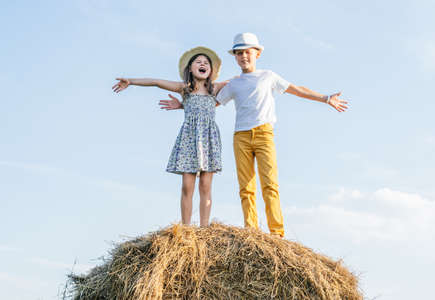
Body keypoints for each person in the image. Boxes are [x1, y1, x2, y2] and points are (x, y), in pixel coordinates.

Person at [160, 33, 348, 237]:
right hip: (240, 136)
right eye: (239, 53)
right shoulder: (234, 84)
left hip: (264, 133)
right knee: (246, 188)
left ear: (257, 53)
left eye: (247, 52)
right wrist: (182, 106)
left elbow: (296, 90)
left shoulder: (268, 76)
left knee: (269, 184)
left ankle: (276, 233)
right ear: (235, 57)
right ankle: (252, 230)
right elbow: (207, 104)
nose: (243, 57)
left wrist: (325, 98)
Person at [112, 46, 227, 227]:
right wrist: (131, 81)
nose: (203, 64)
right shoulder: (185, 89)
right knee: (187, 185)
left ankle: (205, 229)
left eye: (206, 63)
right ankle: (186, 228)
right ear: (190, 69)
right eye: (198, 62)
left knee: (205, 185)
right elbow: (157, 82)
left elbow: (241, 81)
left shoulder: (216, 89)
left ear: (211, 70)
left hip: (208, 140)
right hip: (189, 139)